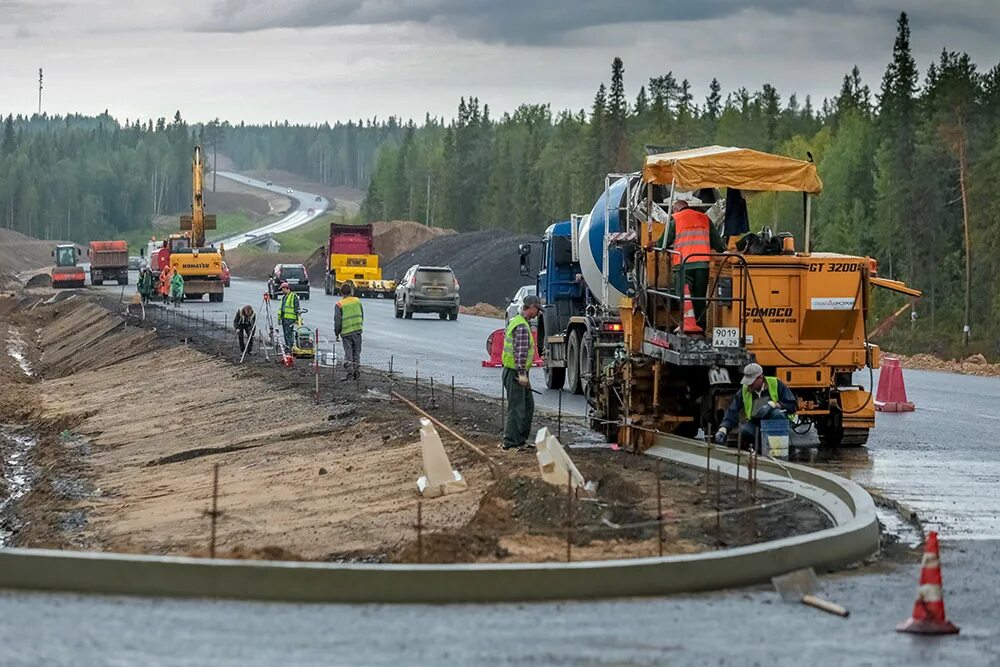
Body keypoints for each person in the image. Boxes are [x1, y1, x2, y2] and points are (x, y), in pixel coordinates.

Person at [664, 199, 727, 329]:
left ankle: (686, 325)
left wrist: (654, 245)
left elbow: (663, 243)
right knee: (700, 298)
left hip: (683, 264)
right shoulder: (704, 218)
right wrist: (725, 250)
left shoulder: (676, 219)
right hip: (702, 265)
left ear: (675, 209)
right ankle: (700, 326)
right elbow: (718, 244)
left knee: (683, 296)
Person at [714, 363, 797, 449]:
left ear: (760, 378)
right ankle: (759, 449)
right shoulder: (745, 389)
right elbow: (733, 410)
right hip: (756, 424)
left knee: (777, 414)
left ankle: (777, 449)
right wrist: (723, 429)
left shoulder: (775, 384)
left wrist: (774, 405)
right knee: (744, 431)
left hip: (773, 423)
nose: (748, 385)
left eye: (751, 382)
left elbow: (792, 406)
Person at [501, 294, 542, 451]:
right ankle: (511, 442)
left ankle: (520, 440)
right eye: (537, 309)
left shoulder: (519, 322)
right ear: (530, 307)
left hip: (516, 371)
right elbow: (520, 353)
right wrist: (522, 374)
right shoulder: (522, 326)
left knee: (527, 406)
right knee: (517, 407)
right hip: (515, 373)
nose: (538, 313)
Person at [334, 282, 364, 379]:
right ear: (351, 291)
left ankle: (350, 372)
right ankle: (357, 371)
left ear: (341, 292)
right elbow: (362, 315)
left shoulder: (339, 304)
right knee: (356, 352)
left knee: (348, 353)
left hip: (346, 332)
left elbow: (337, 321)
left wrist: (337, 332)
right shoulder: (357, 301)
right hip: (358, 330)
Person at [277, 281, 300, 351]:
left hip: (290, 319)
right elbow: (282, 309)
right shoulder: (284, 297)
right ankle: (288, 346)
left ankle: (290, 346)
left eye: (282, 289)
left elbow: (297, 308)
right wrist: (279, 318)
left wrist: (297, 318)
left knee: (289, 333)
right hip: (284, 318)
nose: (282, 291)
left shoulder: (293, 296)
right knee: (286, 333)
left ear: (286, 288)